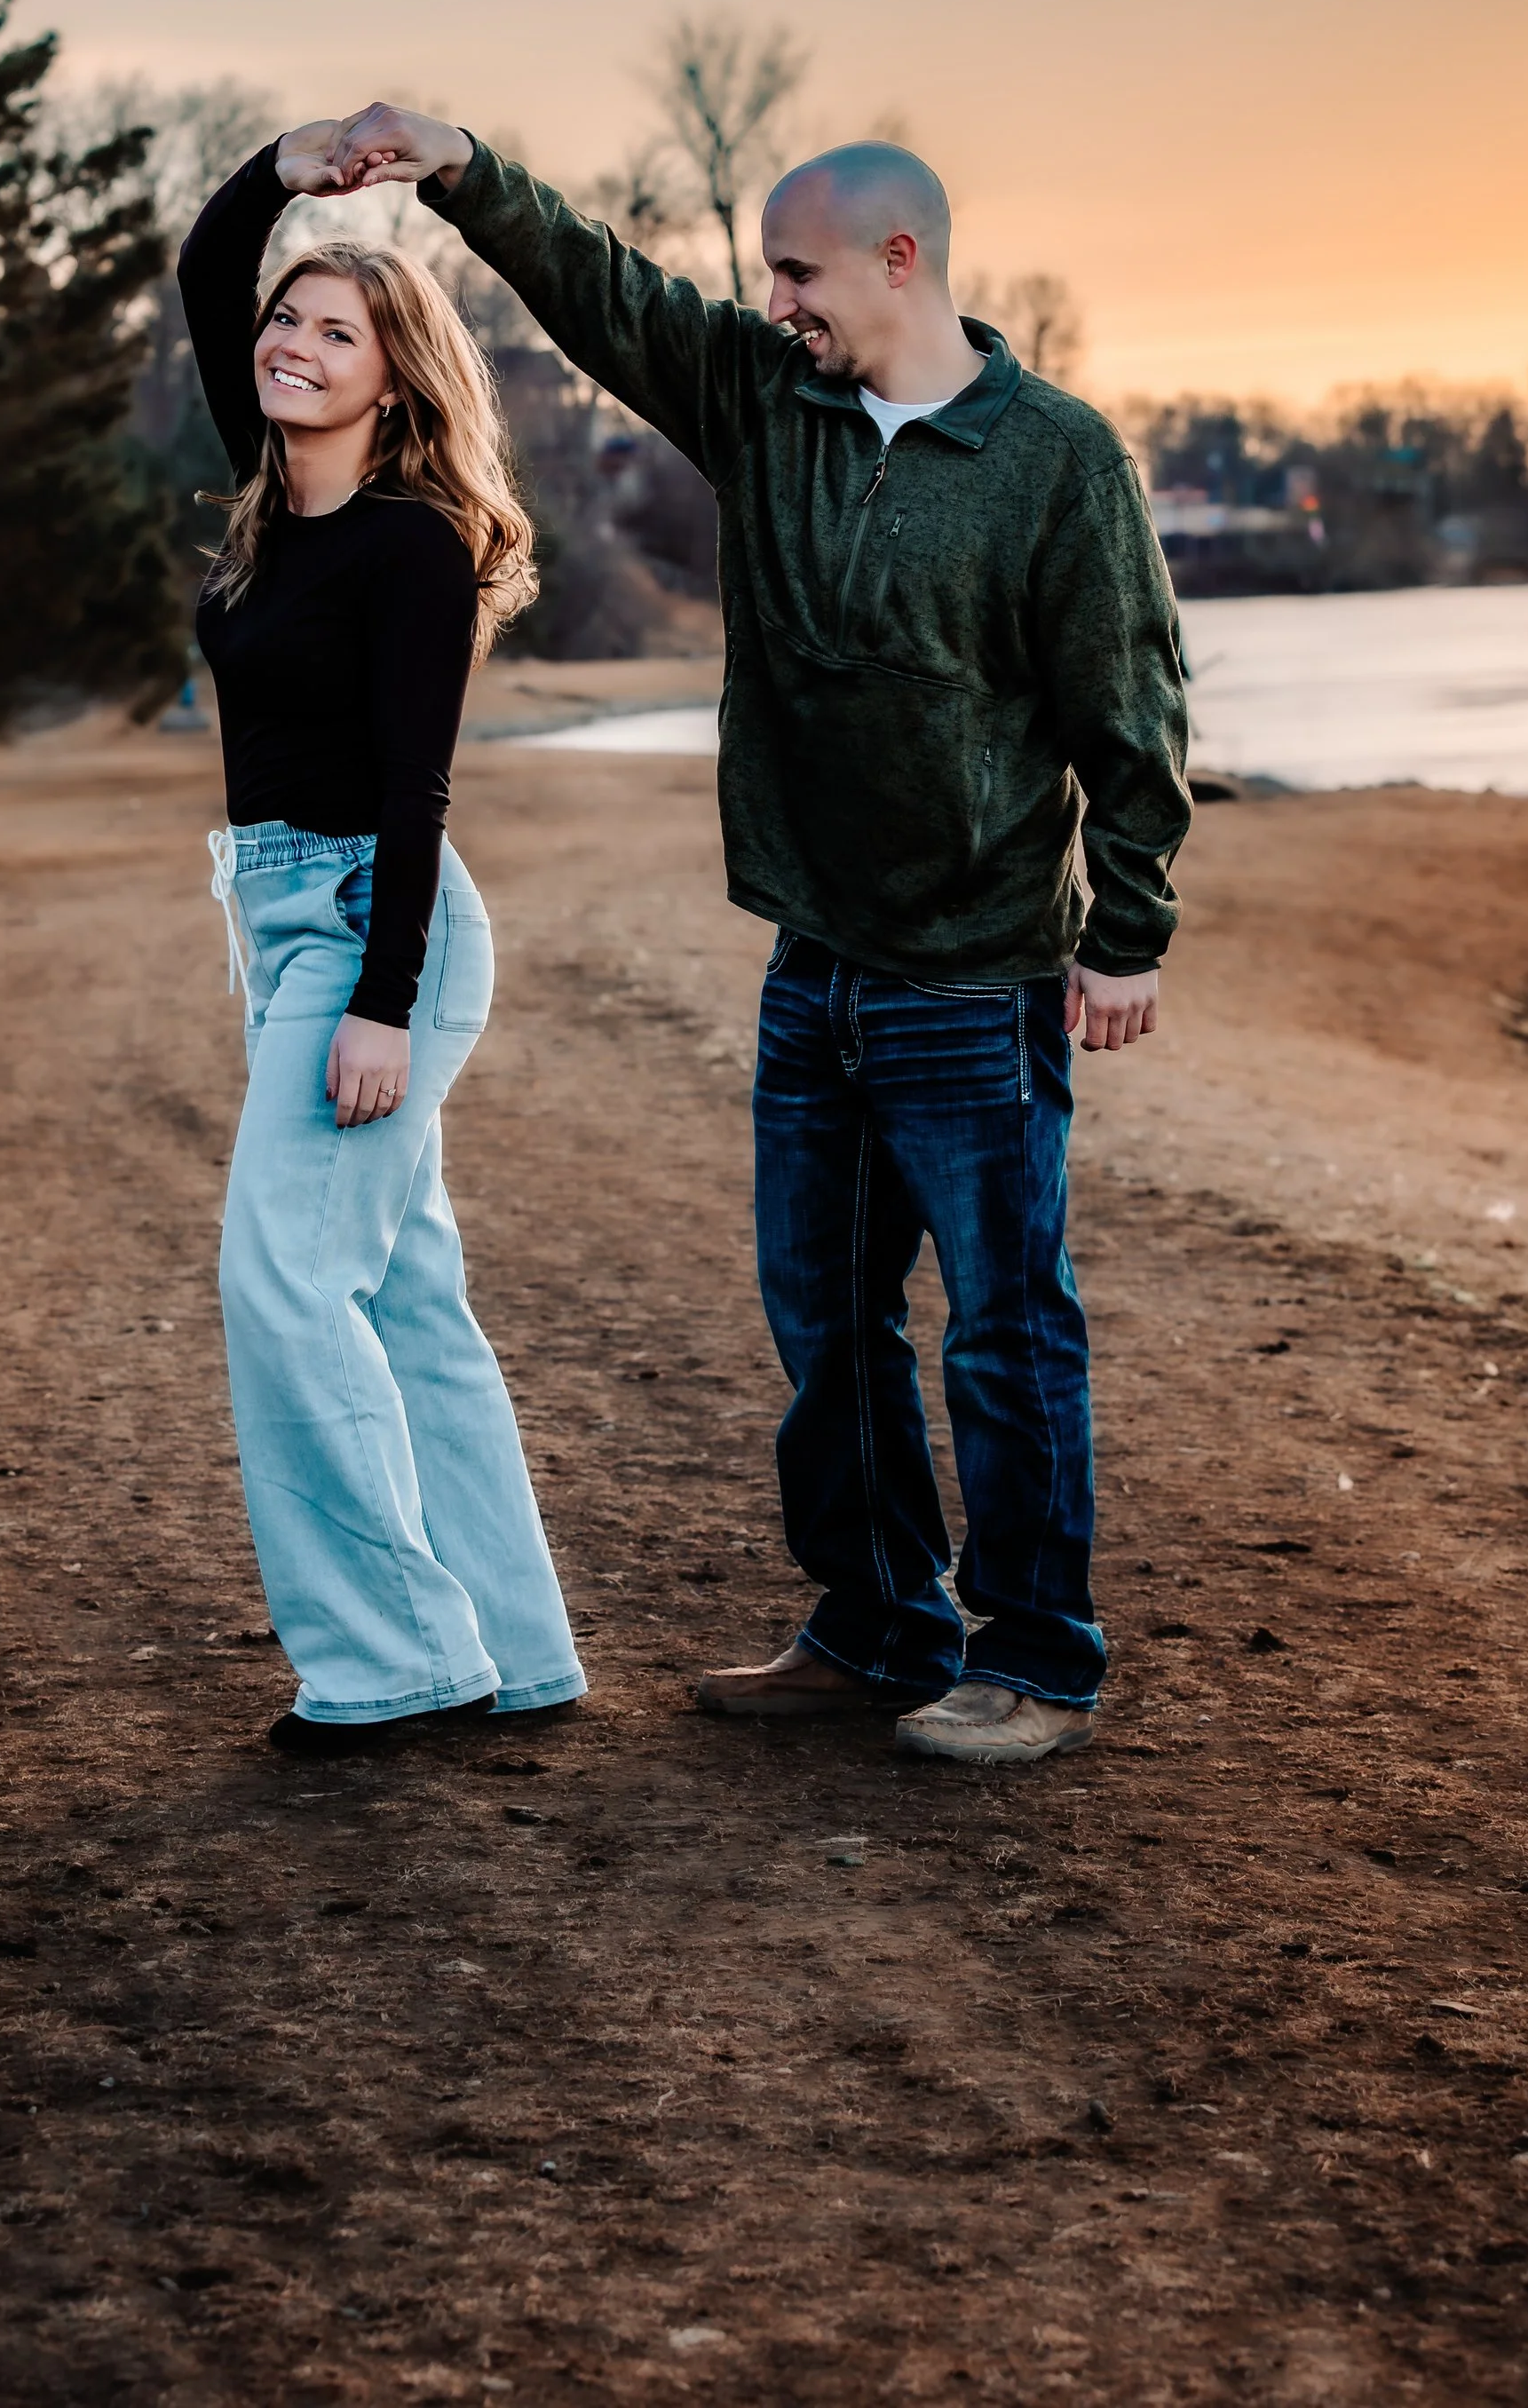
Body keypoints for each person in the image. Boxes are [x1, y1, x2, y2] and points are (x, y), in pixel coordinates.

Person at [301, 107, 1189, 1769]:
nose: (776, 299)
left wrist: (1124, 932)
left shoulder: (1057, 461)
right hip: (815, 968)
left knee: (1005, 1324)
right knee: (824, 1317)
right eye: (768, 273)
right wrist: (463, 167)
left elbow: (1131, 711)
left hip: (977, 973)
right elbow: (603, 291)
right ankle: (875, 1623)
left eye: (799, 270)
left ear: (899, 258)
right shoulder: (764, 398)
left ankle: (1040, 1656)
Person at [178, 127, 586, 1749]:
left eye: (337, 330)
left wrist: (380, 1003)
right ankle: (514, 1644)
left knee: (277, 1276)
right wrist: (292, 169)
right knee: (405, 1298)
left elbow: (416, 794)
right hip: (286, 917)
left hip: (368, 927)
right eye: (291, 320)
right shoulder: (275, 500)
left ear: (397, 377)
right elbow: (215, 266)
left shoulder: (409, 543)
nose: (291, 342)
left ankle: (395, 1656)